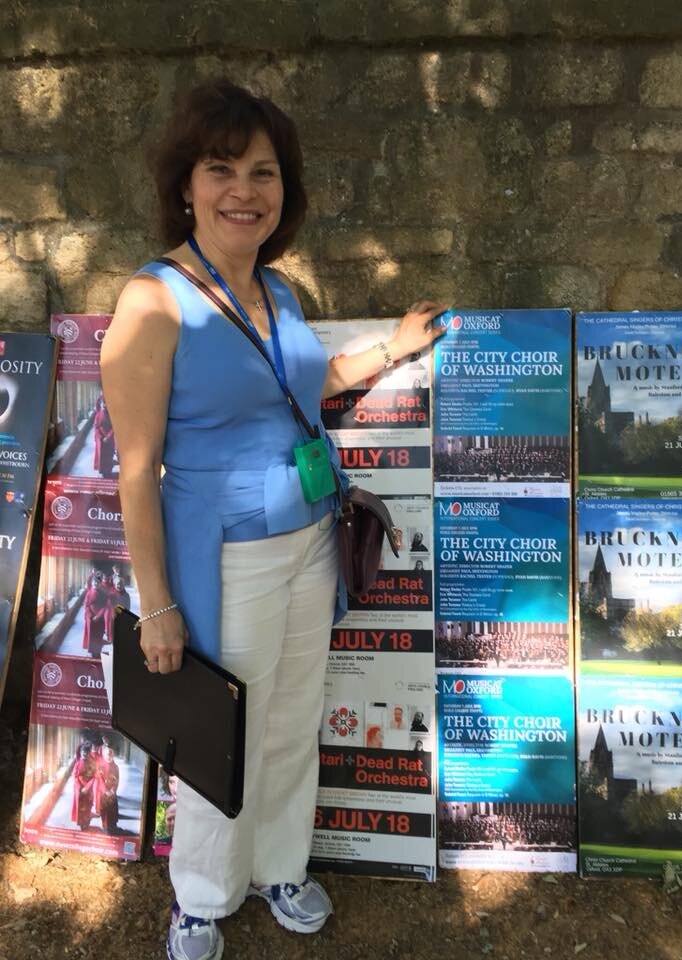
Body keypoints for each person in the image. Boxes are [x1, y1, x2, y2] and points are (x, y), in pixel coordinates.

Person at [100, 78, 446, 960]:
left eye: (263, 172)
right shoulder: (153, 300)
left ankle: (281, 866)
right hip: (225, 559)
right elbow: (136, 468)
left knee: (295, 718)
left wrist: (389, 351)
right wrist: (160, 607)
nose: (243, 190)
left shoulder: (280, 292)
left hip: (309, 543)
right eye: (222, 169)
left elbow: (304, 386)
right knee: (227, 734)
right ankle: (203, 898)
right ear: (187, 183)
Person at [71, 743, 95, 831]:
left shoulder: (92, 764)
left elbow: (94, 777)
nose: (84, 755)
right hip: (79, 789)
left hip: (88, 790)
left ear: (89, 753)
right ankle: (81, 824)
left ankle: (86, 823)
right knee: (80, 807)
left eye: (86, 753)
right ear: (80, 753)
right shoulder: (78, 763)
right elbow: (74, 776)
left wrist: (87, 787)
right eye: (83, 753)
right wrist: (80, 787)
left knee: (88, 806)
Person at [92, 395, 116, 478]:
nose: (105, 406)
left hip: (110, 439)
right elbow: (96, 426)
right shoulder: (99, 414)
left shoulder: (113, 414)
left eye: (107, 404)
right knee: (102, 456)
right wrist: (101, 436)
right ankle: (103, 472)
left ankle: (108, 471)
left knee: (109, 455)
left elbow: (114, 427)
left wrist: (108, 436)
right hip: (101, 440)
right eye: (104, 404)